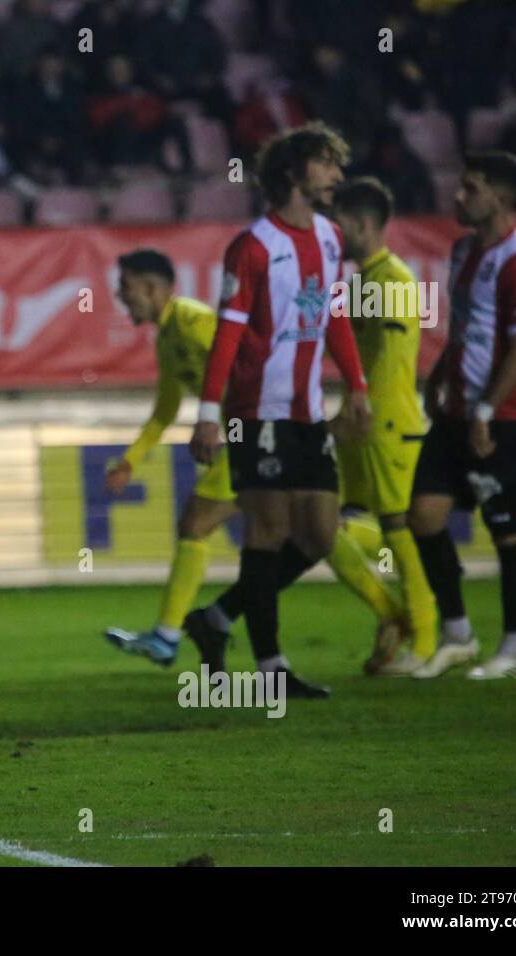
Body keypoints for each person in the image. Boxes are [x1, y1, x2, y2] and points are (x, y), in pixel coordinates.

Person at [188, 122, 371, 699]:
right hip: (256, 411)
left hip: (307, 412)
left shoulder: (330, 237)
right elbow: (227, 333)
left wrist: (357, 386)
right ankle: (271, 669)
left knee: (318, 536)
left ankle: (216, 618)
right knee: (267, 531)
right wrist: (208, 413)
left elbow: (333, 315)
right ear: (294, 173)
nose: (337, 176)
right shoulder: (253, 245)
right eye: (326, 164)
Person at [408, 152, 516, 680]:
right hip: (457, 412)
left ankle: (513, 651)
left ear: (501, 196)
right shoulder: (463, 249)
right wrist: (441, 379)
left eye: (470, 188)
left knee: (508, 532)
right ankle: (459, 634)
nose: (458, 196)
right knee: (423, 515)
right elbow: (465, 329)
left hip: (506, 416)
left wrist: (487, 410)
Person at [100, 249, 236, 666]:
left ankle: (167, 635)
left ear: (152, 288)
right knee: (316, 535)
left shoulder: (195, 322)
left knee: (195, 524)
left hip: (252, 434)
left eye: (126, 289)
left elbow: (241, 364)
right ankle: (400, 614)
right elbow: (165, 410)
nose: (122, 298)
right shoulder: (168, 336)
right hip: (242, 437)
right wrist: (130, 460)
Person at [325, 177, 437, 675]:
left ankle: (426, 639)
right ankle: (395, 618)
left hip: (385, 421)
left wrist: (363, 404)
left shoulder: (391, 279)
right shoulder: (360, 283)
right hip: (364, 420)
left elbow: (390, 359)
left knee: (398, 527)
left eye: (341, 222)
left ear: (363, 224)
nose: (334, 231)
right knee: (328, 528)